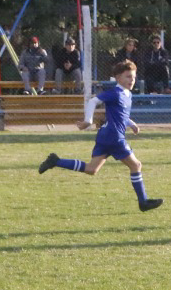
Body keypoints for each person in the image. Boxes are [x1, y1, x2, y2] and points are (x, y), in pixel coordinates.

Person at [37, 60, 162, 212]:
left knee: (91, 169)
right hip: (114, 136)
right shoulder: (115, 93)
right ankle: (143, 202)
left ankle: (56, 161)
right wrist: (88, 121)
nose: (132, 80)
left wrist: (131, 124)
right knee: (136, 165)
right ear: (117, 78)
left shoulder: (127, 94)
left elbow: (121, 114)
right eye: (128, 76)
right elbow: (93, 101)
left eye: (134, 77)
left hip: (106, 134)